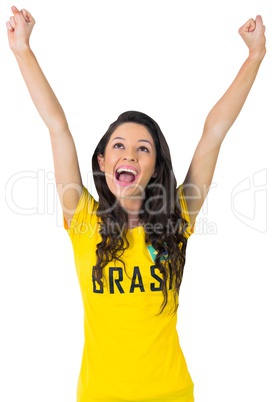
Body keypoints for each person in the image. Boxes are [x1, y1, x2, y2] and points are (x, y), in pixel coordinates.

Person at [6, 5, 266, 402]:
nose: (129, 154)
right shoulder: (83, 219)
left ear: (154, 166)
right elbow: (57, 126)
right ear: (103, 162)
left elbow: (213, 133)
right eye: (119, 146)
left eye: (142, 148)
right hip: (98, 395)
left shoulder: (179, 215)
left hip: (171, 393)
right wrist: (23, 50)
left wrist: (254, 56)